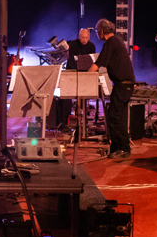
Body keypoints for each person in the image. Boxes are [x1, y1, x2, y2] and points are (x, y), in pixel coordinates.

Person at [90, 19, 136, 159]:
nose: (97, 34)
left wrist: (85, 75)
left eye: (97, 31)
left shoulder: (110, 43)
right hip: (123, 85)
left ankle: (123, 148)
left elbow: (98, 64)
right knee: (115, 116)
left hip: (123, 85)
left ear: (101, 31)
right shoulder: (116, 41)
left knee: (115, 117)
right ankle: (116, 147)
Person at [52, 28, 98, 131]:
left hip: (85, 75)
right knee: (66, 98)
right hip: (72, 73)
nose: (84, 40)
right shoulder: (73, 44)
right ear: (79, 36)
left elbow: (91, 62)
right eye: (82, 38)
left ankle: (82, 122)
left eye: (86, 38)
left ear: (89, 37)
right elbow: (72, 61)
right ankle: (65, 124)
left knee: (84, 97)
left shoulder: (91, 46)